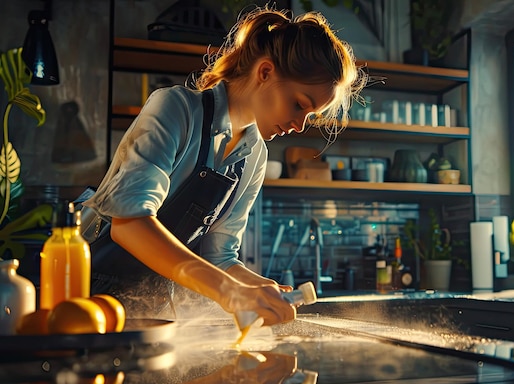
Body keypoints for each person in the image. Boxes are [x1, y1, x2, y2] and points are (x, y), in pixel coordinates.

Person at [79, 5, 367, 326]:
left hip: (152, 313)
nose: (300, 125)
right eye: (299, 105)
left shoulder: (255, 155)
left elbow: (220, 256)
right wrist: (230, 291)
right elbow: (130, 224)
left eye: (310, 115)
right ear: (266, 72)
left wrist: (261, 288)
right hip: (86, 300)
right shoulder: (175, 109)